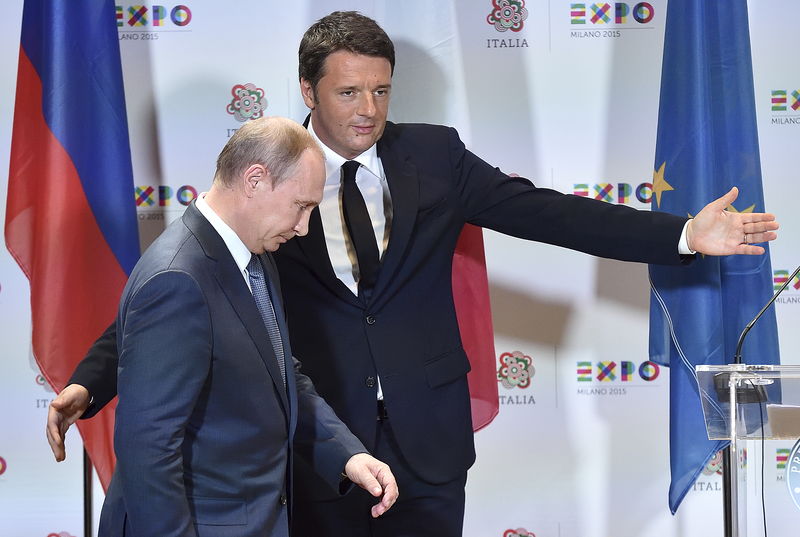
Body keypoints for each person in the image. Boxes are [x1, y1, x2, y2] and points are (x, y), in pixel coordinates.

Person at [48, 11, 779, 537]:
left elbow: (550, 212)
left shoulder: (436, 156)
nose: (368, 111)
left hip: (429, 444)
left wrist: (682, 233)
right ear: (308, 89)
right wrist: (93, 376)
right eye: (348, 93)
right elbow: (195, 281)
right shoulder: (270, 176)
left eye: (381, 91)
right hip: (318, 447)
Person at [94, 116, 397, 537]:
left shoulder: (254, 257)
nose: (303, 227)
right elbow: (148, 449)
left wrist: (346, 455)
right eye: (301, 206)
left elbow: (281, 376)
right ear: (255, 179)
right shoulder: (177, 280)